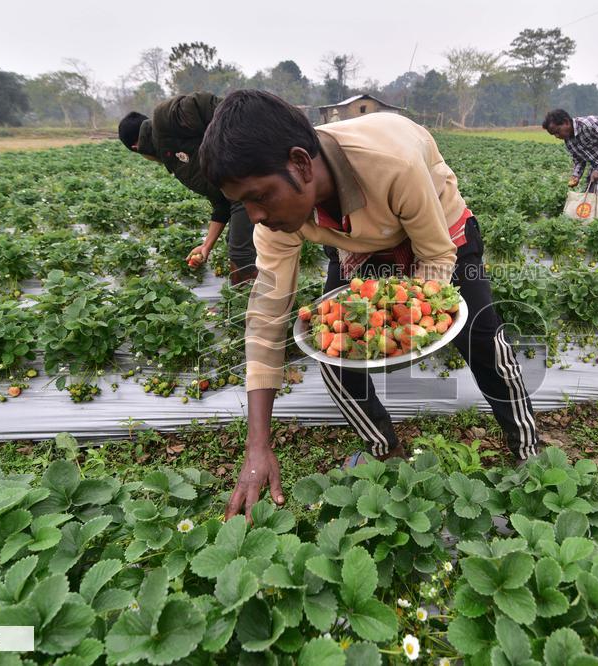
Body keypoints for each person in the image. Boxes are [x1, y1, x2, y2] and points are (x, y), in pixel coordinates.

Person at [201, 90, 541, 519]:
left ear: (301, 164)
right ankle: (385, 451)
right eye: (243, 204)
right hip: (359, 242)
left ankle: (528, 450)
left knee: (483, 339)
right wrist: (257, 445)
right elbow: (267, 317)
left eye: (260, 197)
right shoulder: (275, 219)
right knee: (333, 350)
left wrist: (410, 325)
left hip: (437, 228)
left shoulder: (392, 162)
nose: (254, 215)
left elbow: (436, 255)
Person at [118, 93, 258, 285]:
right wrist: (206, 245)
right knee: (237, 244)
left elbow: (207, 105)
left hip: (251, 185)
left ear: (136, 147)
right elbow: (221, 202)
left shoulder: (164, 121)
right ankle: (259, 295)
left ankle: (256, 300)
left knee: (240, 253)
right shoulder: (172, 160)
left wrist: (248, 142)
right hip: (240, 196)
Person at [542, 109, 598, 197]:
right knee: (588, 194)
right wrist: (576, 175)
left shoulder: (591, 124)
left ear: (566, 122)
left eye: (558, 131)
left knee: (595, 194)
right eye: (554, 134)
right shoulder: (568, 141)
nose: (557, 136)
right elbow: (579, 160)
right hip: (597, 162)